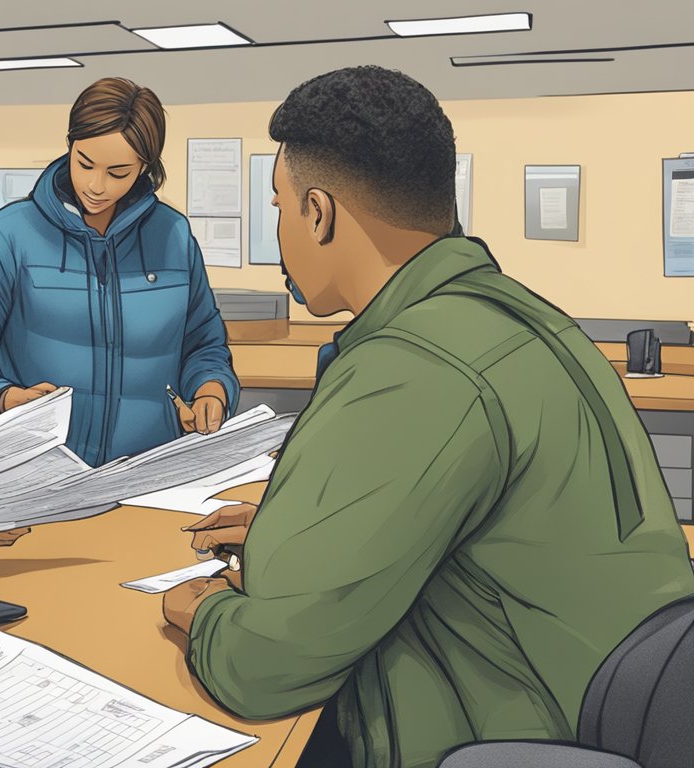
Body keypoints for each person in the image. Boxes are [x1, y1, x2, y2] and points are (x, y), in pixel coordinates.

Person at [162, 66, 694, 768]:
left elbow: (264, 665)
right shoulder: (526, 320)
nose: (281, 230)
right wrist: (288, 534)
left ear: (318, 212)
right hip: (592, 696)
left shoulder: (410, 365)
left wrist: (200, 613)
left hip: (507, 721)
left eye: (279, 206)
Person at [0, 77, 238, 472]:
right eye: (85, 163)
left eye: (118, 172)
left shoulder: (173, 235)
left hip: (152, 470)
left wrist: (211, 390)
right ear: (70, 145)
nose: (96, 186)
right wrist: (1, 398)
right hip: (34, 469)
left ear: (145, 166)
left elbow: (204, 344)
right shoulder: (8, 234)